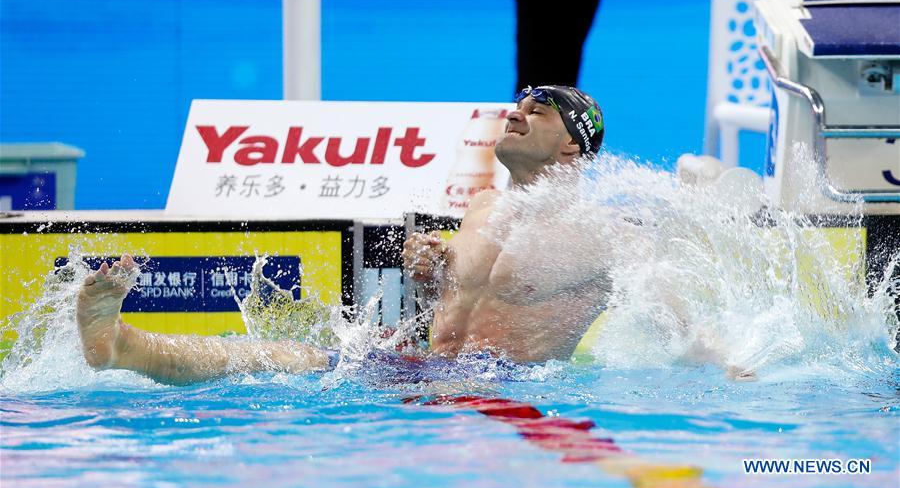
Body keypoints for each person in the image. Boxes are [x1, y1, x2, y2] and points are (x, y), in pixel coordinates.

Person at [75, 86, 614, 386]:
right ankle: (123, 345)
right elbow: (461, 302)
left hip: (503, 388)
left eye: (536, 111)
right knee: (275, 357)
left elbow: (670, 301)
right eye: (516, 107)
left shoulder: (598, 231)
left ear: (573, 146)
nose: (516, 114)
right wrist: (432, 270)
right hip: (419, 370)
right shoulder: (482, 206)